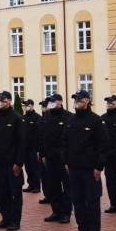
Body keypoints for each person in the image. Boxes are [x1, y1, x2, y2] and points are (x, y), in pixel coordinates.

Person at [62, 90, 108, 231]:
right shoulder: (71, 120)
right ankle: (83, 230)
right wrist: (66, 162)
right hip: (74, 168)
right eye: (75, 99)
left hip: (90, 169)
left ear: (87, 101)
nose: (76, 102)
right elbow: (65, 143)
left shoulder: (96, 120)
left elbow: (103, 145)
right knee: (78, 201)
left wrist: (99, 167)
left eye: (79, 100)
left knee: (92, 201)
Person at [0, 91, 25, 230]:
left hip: (12, 163)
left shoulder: (17, 118)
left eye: (3, 100)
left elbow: (22, 143)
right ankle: (5, 218)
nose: (0, 102)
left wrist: (18, 163)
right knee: (2, 191)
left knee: (15, 192)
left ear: (9, 101)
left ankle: (15, 221)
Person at [39, 94, 73, 223]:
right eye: (49, 102)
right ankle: (56, 211)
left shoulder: (68, 116)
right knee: (53, 185)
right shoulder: (46, 118)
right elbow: (41, 138)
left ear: (60, 102)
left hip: (63, 158)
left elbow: (70, 140)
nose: (51, 104)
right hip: (49, 157)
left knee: (66, 186)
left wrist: (68, 158)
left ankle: (66, 213)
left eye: (53, 102)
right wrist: (42, 154)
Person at [21, 99, 41, 193]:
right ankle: (30, 184)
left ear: (32, 106)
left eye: (28, 105)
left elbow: (38, 134)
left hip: (33, 147)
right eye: (25, 105)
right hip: (25, 147)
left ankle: (36, 185)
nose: (26, 107)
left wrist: (37, 147)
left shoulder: (37, 117)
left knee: (35, 167)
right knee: (28, 167)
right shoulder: (23, 118)